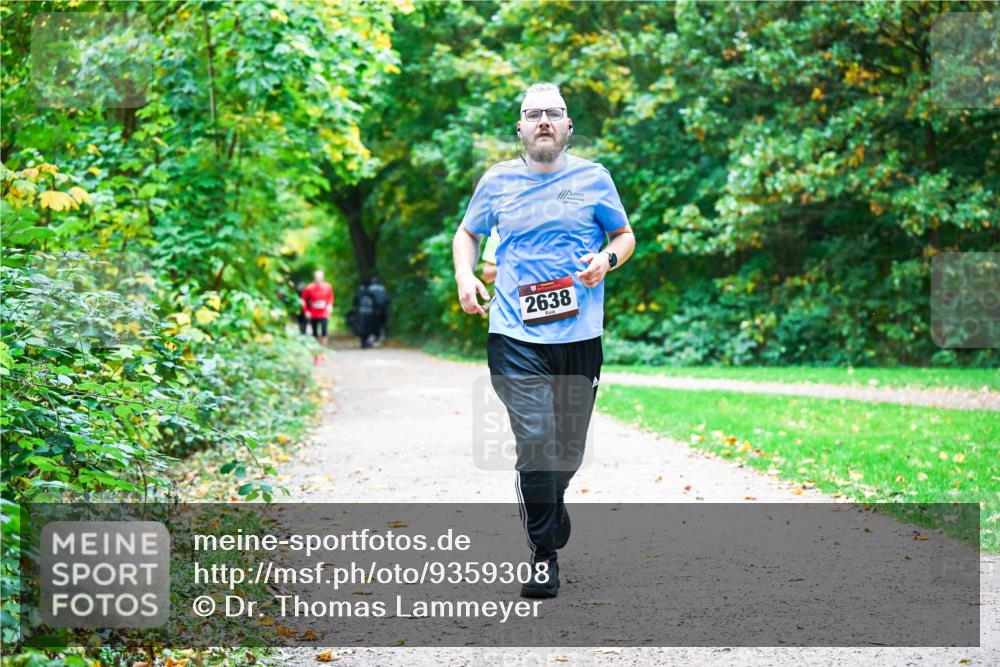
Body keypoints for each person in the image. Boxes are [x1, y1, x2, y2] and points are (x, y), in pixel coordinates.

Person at [452, 82, 635, 599]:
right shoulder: (497, 181)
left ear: (569, 125)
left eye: (554, 113)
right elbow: (466, 233)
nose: (544, 121)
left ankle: (551, 502)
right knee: (536, 442)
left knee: (567, 452)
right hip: (514, 332)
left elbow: (624, 235)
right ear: (520, 127)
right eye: (533, 114)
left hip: (579, 335)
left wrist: (607, 259)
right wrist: (466, 277)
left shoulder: (594, 179)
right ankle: (543, 555)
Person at [301, 269, 334, 364]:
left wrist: (330, 306)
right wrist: (306, 311)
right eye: (316, 277)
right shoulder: (309, 288)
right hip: (313, 314)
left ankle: (323, 353)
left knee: (324, 333)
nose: (318, 279)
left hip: (324, 313)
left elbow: (330, 298)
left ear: (323, 277)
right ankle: (316, 355)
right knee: (315, 334)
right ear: (314, 278)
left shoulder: (328, 287)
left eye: (320, 277)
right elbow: (303, 300)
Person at [352, 278, 378, 349]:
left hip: (361, 314)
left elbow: (354, 302)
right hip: (370, 314)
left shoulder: (359, 293)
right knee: (368, 329)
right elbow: (375, 304)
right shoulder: (371, 294)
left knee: (362, 329)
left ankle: (363, 343)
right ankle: (366, 343)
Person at [367, 275, 391, 346]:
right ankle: (382, 335)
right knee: (382, 323)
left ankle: (373, 339)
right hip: (383, 308)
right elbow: (387, 299)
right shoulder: (383, 288)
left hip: (373, 309)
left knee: (373, 324)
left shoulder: (370, 289)